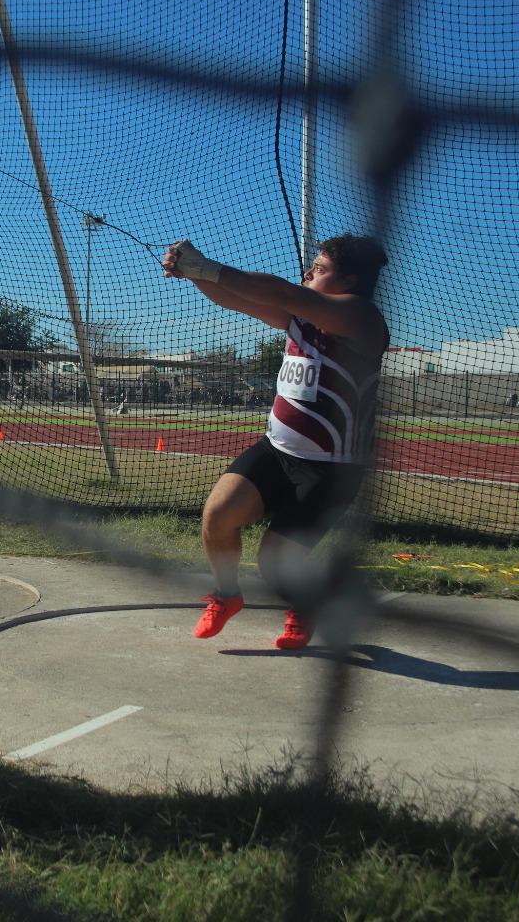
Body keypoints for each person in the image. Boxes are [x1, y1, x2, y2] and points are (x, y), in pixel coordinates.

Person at [163, 234, 389, 650]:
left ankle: (305, 606)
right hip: (277, 450)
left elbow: (276, 289)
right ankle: (227, 597)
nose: (307, 274)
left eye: (318, 270)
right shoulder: (298, 318)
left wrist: (206, 265)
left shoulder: (361, 318)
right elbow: (237, 299)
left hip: (331, 469)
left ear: (350, 280)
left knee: (275, 562)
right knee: (218, 515)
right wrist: (190, 273)